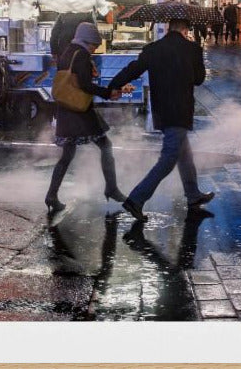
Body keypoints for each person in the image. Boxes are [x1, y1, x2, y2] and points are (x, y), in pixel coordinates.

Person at [106, 18, 214, 222]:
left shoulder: (154, 49)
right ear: (185, 29)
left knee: (184, 154)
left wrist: (114, 85)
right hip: (181, 110)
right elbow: (199, 80)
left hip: (162, 110)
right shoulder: (192, 49)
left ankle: (193, 195)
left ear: (169, 28)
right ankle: (135, 200)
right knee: (169, 158)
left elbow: (133, 69)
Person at [44, 22, 127, 214]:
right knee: (105, 146)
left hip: (66, 109)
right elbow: (83, 84)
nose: (95, 48)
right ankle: (112, 188)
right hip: (80, 111)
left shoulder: (68, 51)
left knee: (67, 155)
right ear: (86, 40)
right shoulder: (80, 55)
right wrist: (108, 92)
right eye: (93, 44)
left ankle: (51, 195)